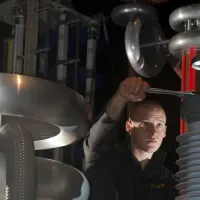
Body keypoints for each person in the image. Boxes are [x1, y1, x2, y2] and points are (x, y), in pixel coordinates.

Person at [83, 77, 178, 200]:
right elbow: (101, 134)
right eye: (145, 124)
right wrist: (121, 97)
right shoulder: (105, 159)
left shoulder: (168, 180)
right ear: (129, 127)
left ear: (165, 131)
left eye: (159, 125)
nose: (153, 132)